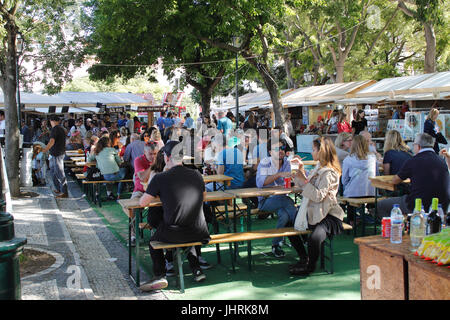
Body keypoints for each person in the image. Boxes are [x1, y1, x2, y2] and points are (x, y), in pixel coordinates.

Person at [138, 141, 210, 291]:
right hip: (200, 231)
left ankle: (160, 275)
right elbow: (204, 197)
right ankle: (194, 267)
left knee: (153, 241)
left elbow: (142, 203)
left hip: (175, 232)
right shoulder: (197, 175)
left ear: (167, 157)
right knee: (179, 230)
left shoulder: (160, 178)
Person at [288, 137, 345, 276]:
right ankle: (304, 258)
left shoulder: (329, 172)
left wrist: (303, 180)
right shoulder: (319, 167)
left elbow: (318, 195)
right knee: (289, 224)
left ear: (322, 151)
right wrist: (299, 170)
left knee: (315, 238)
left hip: (328, 215)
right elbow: (305, 184)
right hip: (315, 212)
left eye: (314, 149)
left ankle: (309, 266)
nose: (312, 152)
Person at [377, 133, 450, 218]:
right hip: (442, 206)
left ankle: (396, 228)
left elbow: (395, 181)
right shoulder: (441, 160)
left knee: (381, 205)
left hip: (417, 204)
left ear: (418, 146)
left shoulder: (413, 161)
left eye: (414, 144)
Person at [256, 138, 302, 258]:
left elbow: (296, 179)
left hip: (282, 201)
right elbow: (261, 183)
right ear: (270, 152)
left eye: (282, 148)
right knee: (287, 201)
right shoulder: (265, 163)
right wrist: (279, 175)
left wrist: (299, 167)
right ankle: (302, 230)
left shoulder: (287, 163)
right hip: (265, 201)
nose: (280, 151)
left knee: (285, 215)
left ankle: (275, 245)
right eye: (277, 149)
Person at [341, 135, 377, 225]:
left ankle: (351, 220)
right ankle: (370, 215)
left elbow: (344, 180)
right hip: (371, 192)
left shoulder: (348, 160)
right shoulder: (373, 158)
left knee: (348, 191)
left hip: (353, 193)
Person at [87, 136, 127, 201]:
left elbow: (89, 160)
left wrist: (97, 160)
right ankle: (114, 193)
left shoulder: (97, 151)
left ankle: (98, 194)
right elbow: (120, 162)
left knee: (97, 174)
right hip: (116, 176)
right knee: (124, 169)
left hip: (103, 176)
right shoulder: (112, 150)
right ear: (108, 143)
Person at [42, 115, 68, 198]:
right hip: (56, 153)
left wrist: (45, 149)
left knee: (59, 172)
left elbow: (52, 141)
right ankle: (59, 189)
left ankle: (64, 192)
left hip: (57, 153)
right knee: (53, 172)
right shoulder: (60, 129)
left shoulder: (55, 129)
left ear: (52, 121)